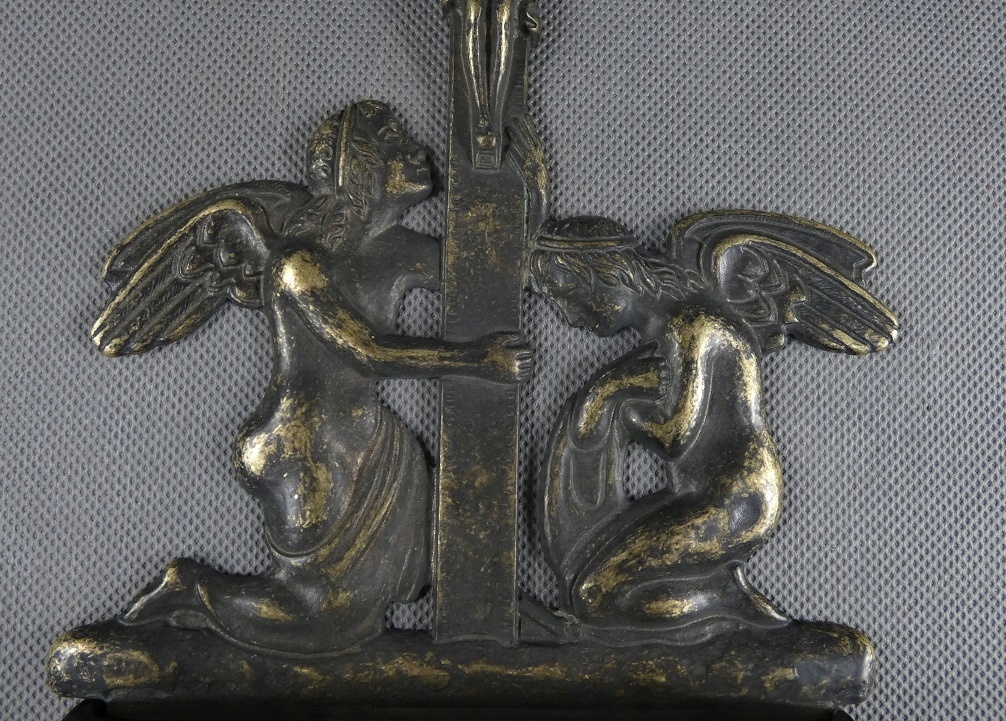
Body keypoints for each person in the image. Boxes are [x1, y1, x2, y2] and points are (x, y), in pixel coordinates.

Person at [97, 101, 532, 654]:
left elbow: (492, 272)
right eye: (396, 144)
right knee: (320, 614)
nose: (419, 152)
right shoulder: (299, 263)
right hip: (302, 442)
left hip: (364, 437)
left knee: (366, 609)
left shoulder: (403, 250)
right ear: (362, 167)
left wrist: (535, 220)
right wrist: (476, 361)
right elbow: (366, 351)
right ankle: (194, 590)